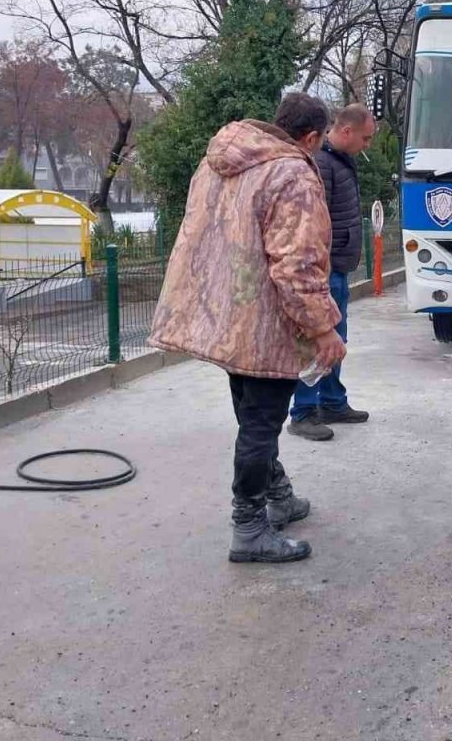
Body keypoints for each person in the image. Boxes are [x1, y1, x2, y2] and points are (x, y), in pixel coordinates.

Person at [149, 92, 345, 564]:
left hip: (227, 314)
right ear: (311, 137)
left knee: (255, 417)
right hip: (266, 323)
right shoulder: (292, 173)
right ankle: (250, 528)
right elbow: (296, 265)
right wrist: (323, 329)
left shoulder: (219, 163)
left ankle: (279, 497)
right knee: (260, 425)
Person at [288, 103, 377, 441]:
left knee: (336, 341)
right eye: (365, 138)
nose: (367, 145)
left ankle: (332, 401)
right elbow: (313, 220)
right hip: (324, 270)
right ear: (346, 131)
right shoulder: (322, 164)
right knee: (317, 341)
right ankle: (304, 412)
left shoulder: (339, 161)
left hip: (338, 266)